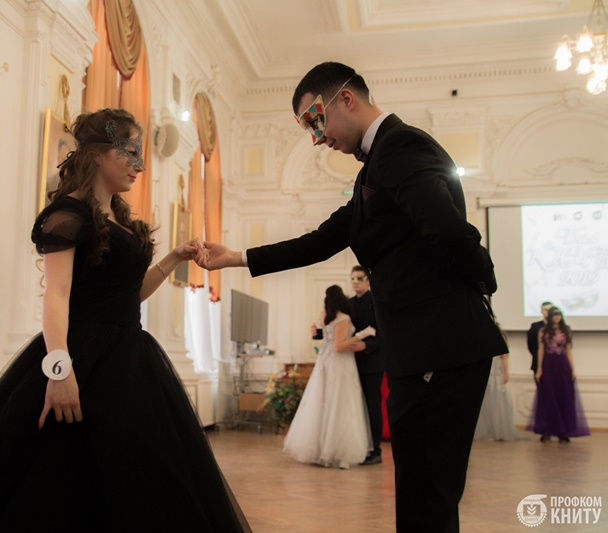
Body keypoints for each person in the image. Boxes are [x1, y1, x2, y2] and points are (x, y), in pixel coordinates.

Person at [0, 109, 250, 532]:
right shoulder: (68, 214)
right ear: (97, 154)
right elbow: (57, 296)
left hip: (130, 358)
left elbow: (129, 295)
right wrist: (59, 369)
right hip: (82, 356)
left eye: (140, 154)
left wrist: (172, 258)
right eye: (129, 152)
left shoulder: (122, 219)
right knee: (61, 476)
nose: (138, 164)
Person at [196, 61, 507, 533]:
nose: (316, 138)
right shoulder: (372, 170)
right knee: (421, 492)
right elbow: (320, 241)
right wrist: (237, 257)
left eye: (315, 121)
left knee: (430, 492)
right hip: (419, 347)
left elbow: (449, 231)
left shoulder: (399, 145)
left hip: (439, 345)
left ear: (346, 98)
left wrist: (482, 285)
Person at [285, 285, 371, 469]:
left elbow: (327, 339)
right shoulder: (343, 318)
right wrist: (362, 335)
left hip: (324, 362)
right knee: (341, 404)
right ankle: (337, 452)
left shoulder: (323, 315)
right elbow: (339, 346)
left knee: (322, 403)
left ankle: (318, 449)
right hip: (340, 364)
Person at [526, 307, 590, 443]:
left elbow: (568, 350)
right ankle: (547, 430)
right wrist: (539, 369)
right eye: (554, 315)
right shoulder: (543, 331)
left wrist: (573, 369)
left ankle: (563, 431)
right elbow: (540, 350)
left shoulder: (566, 330)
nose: (557, 317)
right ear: (550, 317)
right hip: (548, 364)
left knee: (563, 395)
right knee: (548, 396)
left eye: (559, 314)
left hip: (562, 364)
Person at [346, 265, 385, 465]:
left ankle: (375, 449)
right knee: (355, 406)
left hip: (372, 363)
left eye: (359, 278)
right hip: (350, 363)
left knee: (372, 406)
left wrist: (366, 345)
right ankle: (359, 446)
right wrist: (318, 333)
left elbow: (384, 332)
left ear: (368, 281)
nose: (355, 282)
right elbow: (339, 327)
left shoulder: (377, 301)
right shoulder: (348, 303)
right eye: (352, 278)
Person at [474, 328, 517, 441]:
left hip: (497, 374)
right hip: (488, 373)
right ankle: (487, 430)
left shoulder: (499, 338)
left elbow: (504, 357)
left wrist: (506, 373)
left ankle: (499, 430)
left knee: (498, 401)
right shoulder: (485, 338)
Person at [526, 301, 554, 384]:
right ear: (541, 311)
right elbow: (531, 344)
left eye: (550, 310)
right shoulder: (535, 326)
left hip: (555, 362)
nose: (548, 312)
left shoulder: (558, 326)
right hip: (539, 362)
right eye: (545, 310)